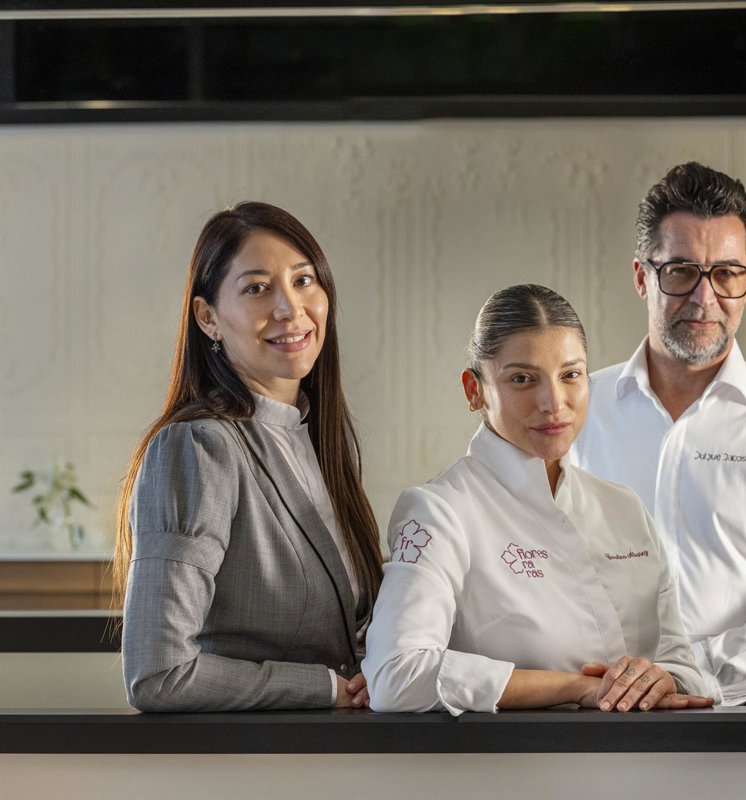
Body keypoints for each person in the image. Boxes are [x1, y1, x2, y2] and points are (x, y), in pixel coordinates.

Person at [363, 284, 715, 714]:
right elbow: (395, 675)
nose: (553, 403)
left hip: (651, 755)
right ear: (474, 390)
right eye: (522, 379)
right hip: (517, 758)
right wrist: (575, 688)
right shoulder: (440, 511)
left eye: (571, 375)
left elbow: (682, 665)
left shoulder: (624, 508)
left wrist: (662, 678)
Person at [570, 162, 746, 705]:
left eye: (727, 273)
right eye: (680, 272)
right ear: (642, 277)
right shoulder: (574, 412)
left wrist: (684, 671)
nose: (704, 297)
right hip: (591, 714)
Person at [115, 202, 383, 711]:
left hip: (335, 750)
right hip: (249, 754)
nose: (289, 308)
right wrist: (327, 688)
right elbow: (158, 673)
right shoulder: (198, 447)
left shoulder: (314, 439)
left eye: (303, 281)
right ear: (208, 318)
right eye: (257, 288)